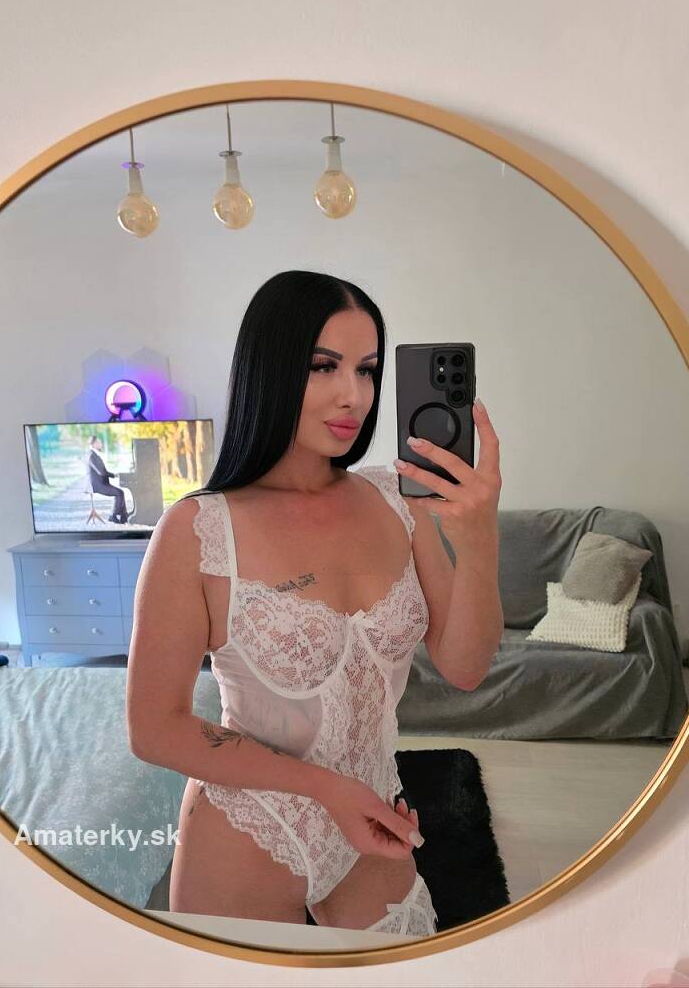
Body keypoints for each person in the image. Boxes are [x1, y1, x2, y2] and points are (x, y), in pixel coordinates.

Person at [126, 271, 456, 938]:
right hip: (251, 831)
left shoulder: (399, 499)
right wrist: (330, 791)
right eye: (322, 366)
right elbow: (154, 728)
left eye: (366, 370)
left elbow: (468, 666)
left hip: (371, 820)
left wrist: (477, 530)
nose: (353, 394)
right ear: (270, 369)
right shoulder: (199, 529)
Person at [86, 436, 128, 523]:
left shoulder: (94, 454)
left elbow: (103, 471)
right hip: (97, 485)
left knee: (120, 492)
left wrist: (114, 475)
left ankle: (124, 516)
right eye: (99, 442)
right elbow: (102, 472)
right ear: (93, 444)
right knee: (119, 493)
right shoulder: (91, 456)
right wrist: (113, 475)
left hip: (101, 483)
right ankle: (113, 515)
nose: (101, 444)